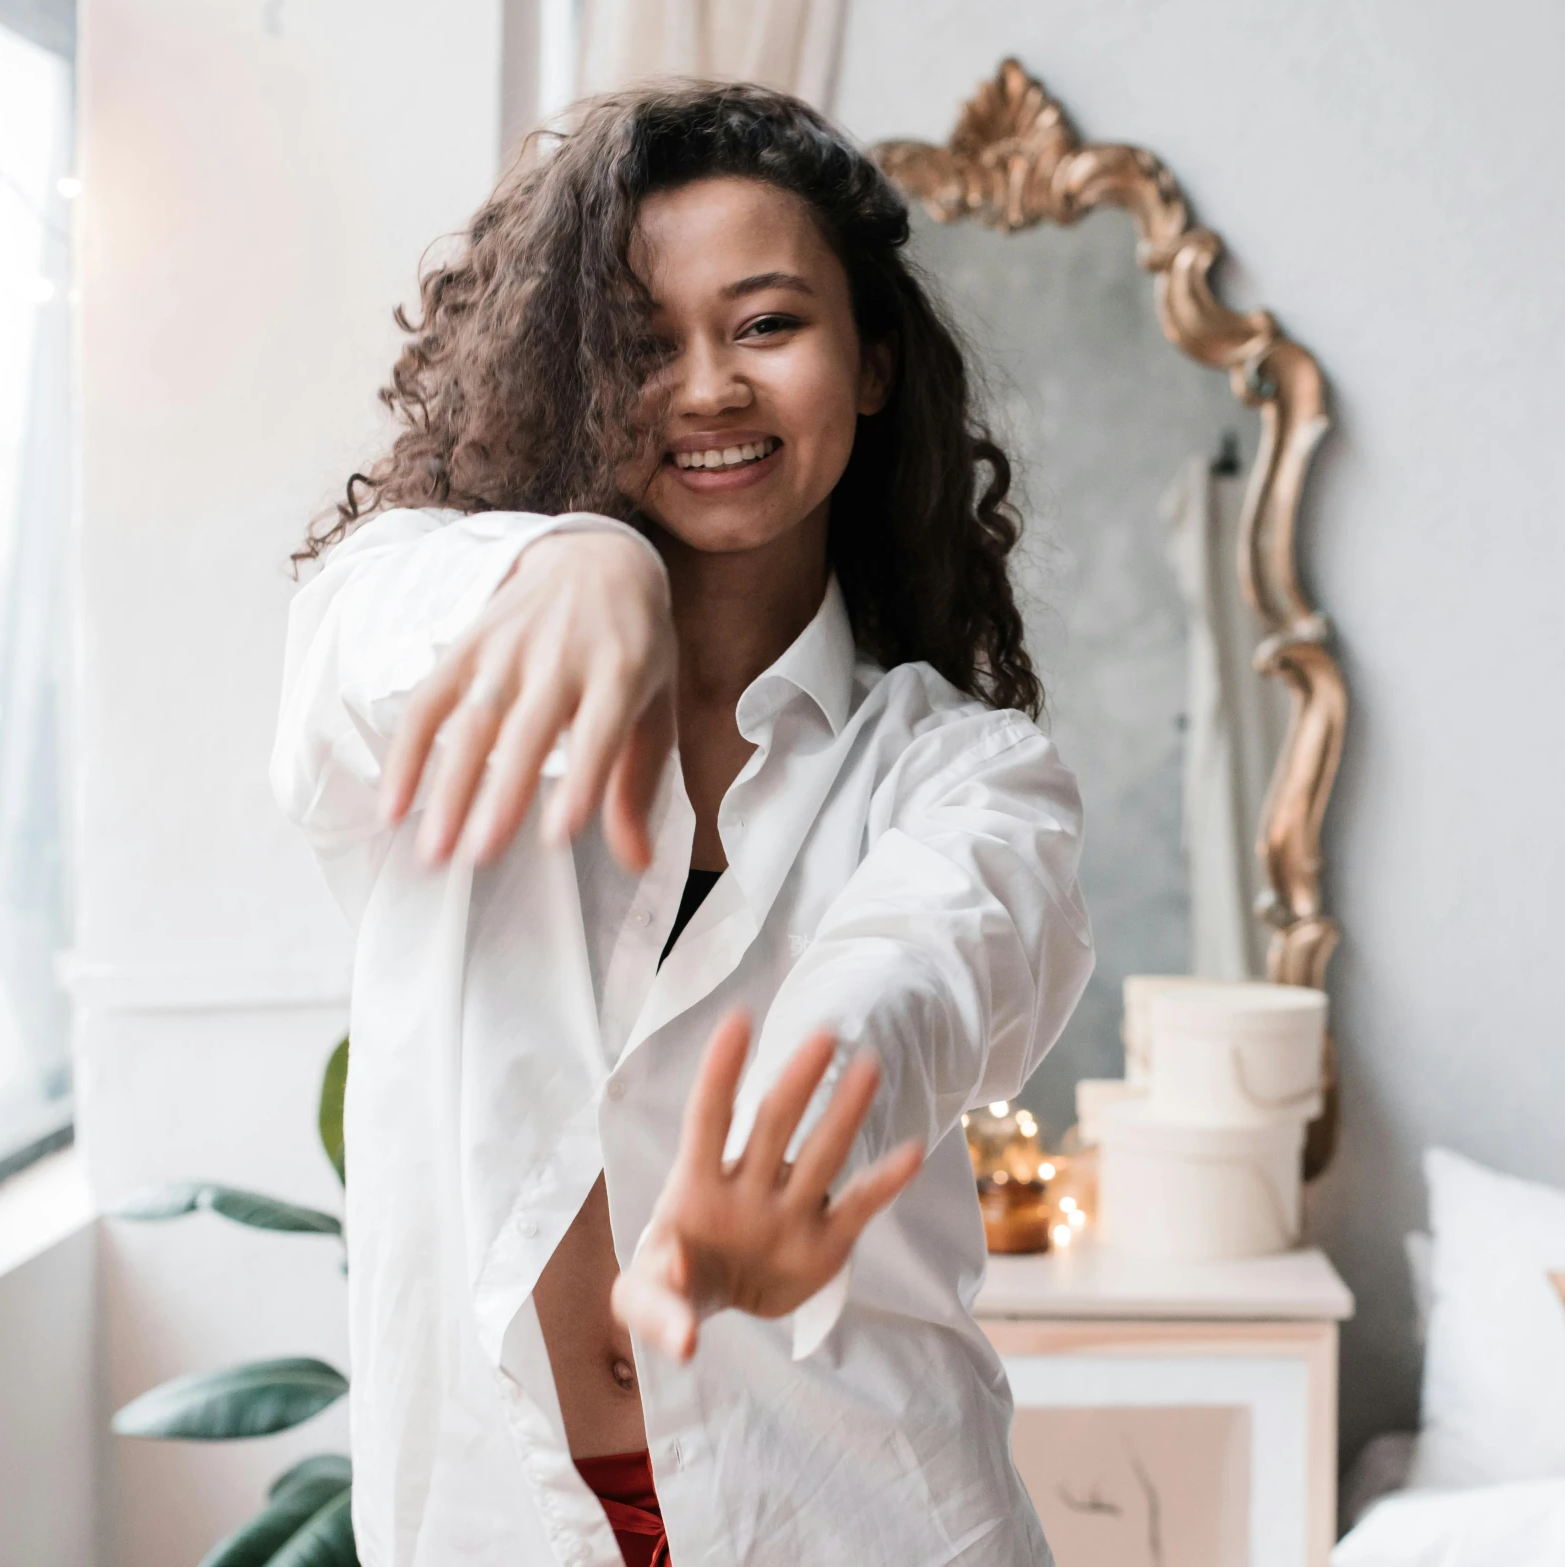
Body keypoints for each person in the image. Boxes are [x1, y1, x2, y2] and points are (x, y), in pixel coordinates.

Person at [271, 82, 1093, 1567]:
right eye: (644, 346)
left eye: (766, 324)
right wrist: (570, 563)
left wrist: (799, 1129)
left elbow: (925, 964)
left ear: (873, 362)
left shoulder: (966, 773)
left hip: (857, 1518)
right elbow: (345, 655)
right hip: (502, 1519)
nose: (706, 386)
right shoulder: (422, 626)